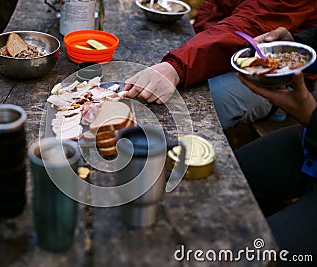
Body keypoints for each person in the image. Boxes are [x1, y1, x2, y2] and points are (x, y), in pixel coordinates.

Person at [123, 0, 317, 127]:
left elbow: (252, 22)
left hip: (279, 76)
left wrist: (177, 67)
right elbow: (218, 6)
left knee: (184, 115)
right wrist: (201, 37)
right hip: (236, 47)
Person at [234, 27, 317, 265]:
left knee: (247, 253)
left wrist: (311, 117)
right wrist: (299, 43)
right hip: (310, 140)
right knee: (228, 177)